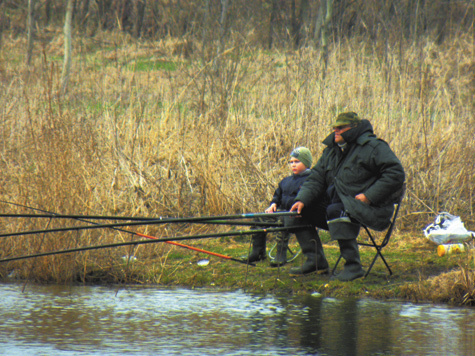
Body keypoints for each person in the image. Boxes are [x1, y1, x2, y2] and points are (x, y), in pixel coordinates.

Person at [290, 112, 405, 281]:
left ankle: (353, 267)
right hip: (338, 205)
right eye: (334, 127)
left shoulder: (374, 147)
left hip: (369, 208)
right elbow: (316, 178)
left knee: (337, 210)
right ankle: (315, 262)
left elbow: (395, 174)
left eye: (341, 128)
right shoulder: (331, 151)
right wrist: (301, 200)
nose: (336, 131)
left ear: (354, 128)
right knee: (297, 212)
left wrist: (369, 196)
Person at [247, 147, 329, 274]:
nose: (293, 165)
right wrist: (273, 204)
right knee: (259, 218)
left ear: (306, 163)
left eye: (297, 161)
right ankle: (257, 252)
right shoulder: (285, 181)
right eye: (291, 162)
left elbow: (312, 198)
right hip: (282, 212)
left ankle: (286, 255)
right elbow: (277, 196)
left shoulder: (312, 180)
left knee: (286, 221)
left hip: (300, 215)